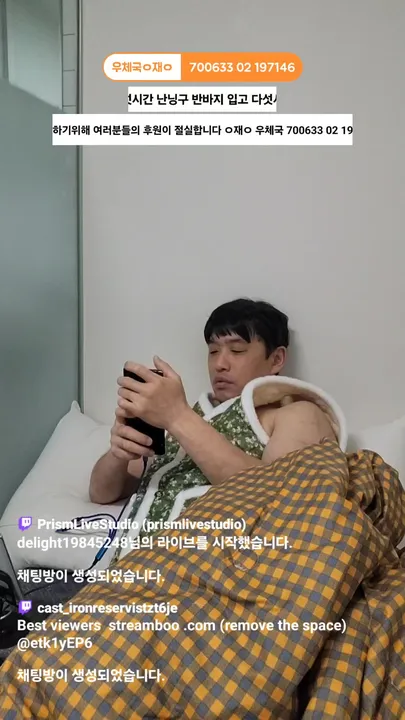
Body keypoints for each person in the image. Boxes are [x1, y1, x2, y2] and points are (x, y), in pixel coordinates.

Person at [89, 298, 335, 564]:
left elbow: (281, 504)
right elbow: (101, 493)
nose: (220, 364)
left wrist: (177, 416)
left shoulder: (297, 414)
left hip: (202, 579)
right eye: (213, 351)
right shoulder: (185, 419)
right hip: (122, 576)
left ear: (276, 359)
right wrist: (118, 454)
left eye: (237, 350)